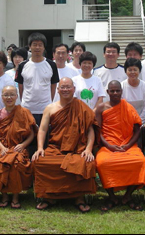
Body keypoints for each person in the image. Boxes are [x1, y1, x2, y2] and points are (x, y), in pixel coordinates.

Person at [32, 77, 97, 213]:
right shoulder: (50, 108)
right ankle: (49, 196)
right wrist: (39, 148)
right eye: (63, 87)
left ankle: (79, 198)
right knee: (41, 162)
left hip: (77, 149)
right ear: (58, 89)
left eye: (68, 87)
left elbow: (91, 130)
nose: (66, 89)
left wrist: (89, 149)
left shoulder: (82, 107)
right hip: (55, 148)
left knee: (85, 162)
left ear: (74, 89)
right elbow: (42, 129)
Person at [95, 81, 145, 211]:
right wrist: (108, 145)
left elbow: (137, 130)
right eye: (112, 91)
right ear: (107, 92)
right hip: (108, 146)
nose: (115, 93)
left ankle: (127, 196)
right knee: (102, 163)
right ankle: (112, 196)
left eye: (117, 90)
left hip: (128, 145)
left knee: (140, 162)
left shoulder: (128, 107)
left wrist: (128, 145)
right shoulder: (101, 108)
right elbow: (98, 130)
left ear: (121, 91)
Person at [0, 86, 37, 209]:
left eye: (12, 94)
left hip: (18, 147)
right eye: (6, 95)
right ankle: (4, 196)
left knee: (16, 163)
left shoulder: (24, 112)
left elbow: (32, 134)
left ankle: (15, 196)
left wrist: (23, 145)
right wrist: (2, 148)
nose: (9, 97)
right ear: (2, 97)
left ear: (16, 96)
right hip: (2, 147)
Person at [15, 33, 60, 126]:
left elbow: (53, 86)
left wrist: (49, 102)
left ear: (44, 47)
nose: (37, 47)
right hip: (27, 108)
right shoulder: (22, 65)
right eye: (34, 44)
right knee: (28, 136)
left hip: (45, 108)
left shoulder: (51, 65)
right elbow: (20, 87)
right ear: (29, 47)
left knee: (44, 137)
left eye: (40, 45)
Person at [121, 58, 145, 124]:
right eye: (130, 70)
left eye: (135, 70)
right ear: (125, 71)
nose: (132, 72)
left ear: (139, 71)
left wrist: (138, 121)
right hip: (125, 122)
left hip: (142, 122)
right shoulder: (121, 86)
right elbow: (120, 108)